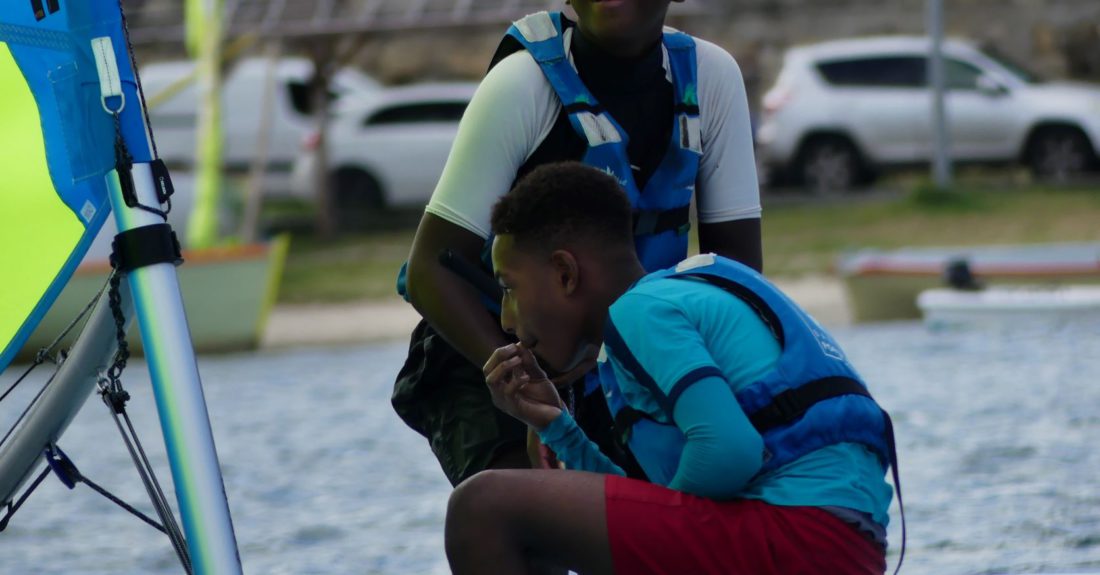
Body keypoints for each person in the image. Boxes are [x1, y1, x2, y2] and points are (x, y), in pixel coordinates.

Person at [446, 161, 898, 574]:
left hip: (797, 535)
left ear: (565, 273)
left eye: (509, 288)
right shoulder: (679, 297)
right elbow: (644, 506)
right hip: (840, 547)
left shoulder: (640, 313)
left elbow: (732, 452)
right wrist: (558, 428)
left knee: (482, 505)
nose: (507, 319)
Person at [393, 0, 763, 486]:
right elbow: (430, 271)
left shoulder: (713, 79)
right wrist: (528, 389)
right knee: (522, 509)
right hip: (493, 353)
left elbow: (736, 280)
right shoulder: (521, 83)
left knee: (662, 509)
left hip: (634, 351)